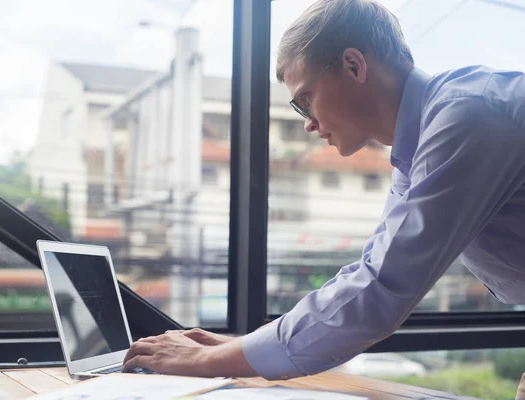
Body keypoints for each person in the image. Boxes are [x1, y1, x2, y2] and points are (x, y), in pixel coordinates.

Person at [123, 0, 525, 380]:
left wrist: (211, 359)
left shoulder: (467, 117)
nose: (307, 123)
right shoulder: (418, 147)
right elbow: (371, 271)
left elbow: (381, 288)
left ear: (354, 65)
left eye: (304, 101)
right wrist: (241, 348)